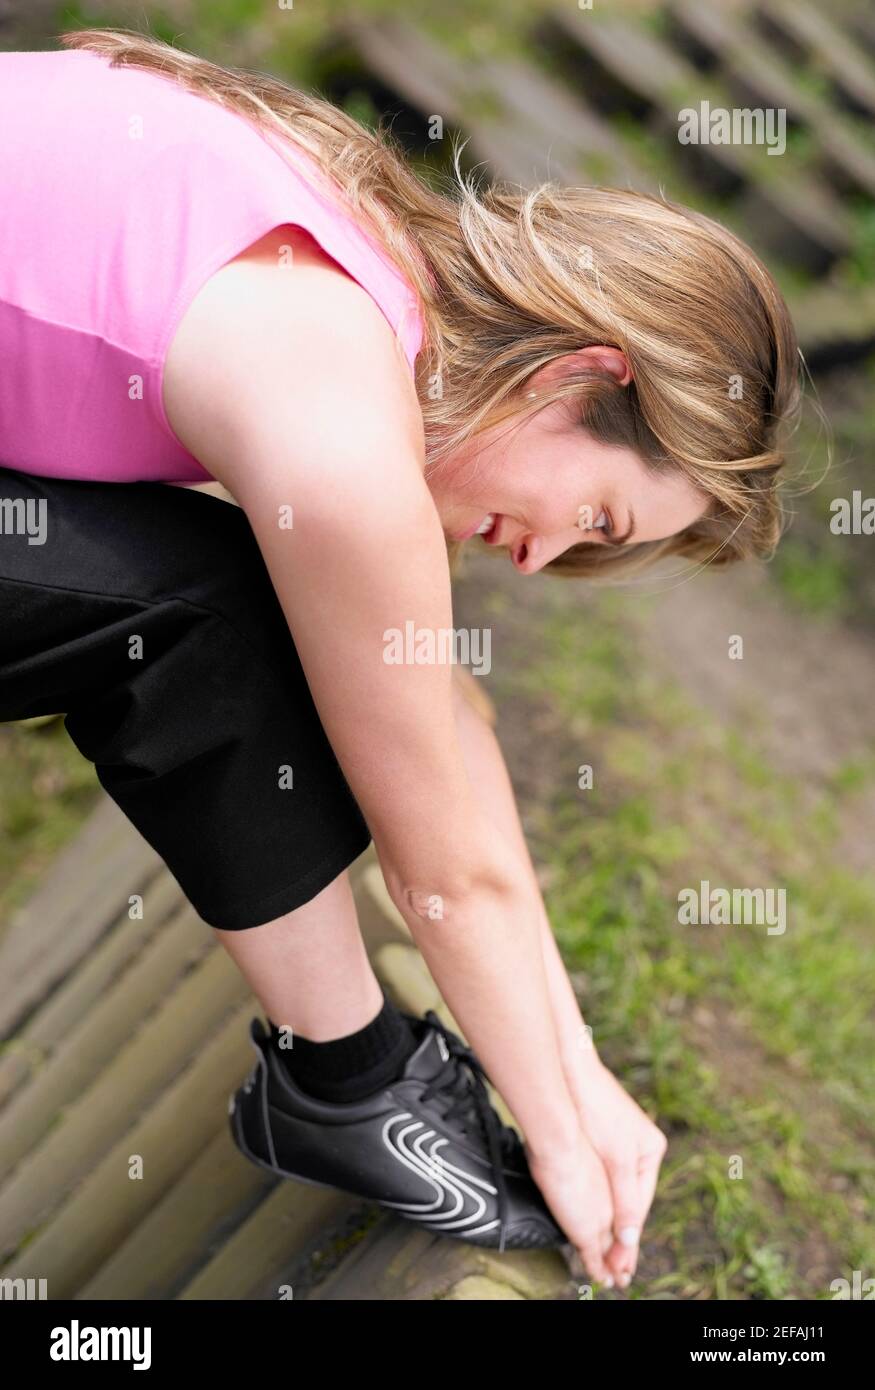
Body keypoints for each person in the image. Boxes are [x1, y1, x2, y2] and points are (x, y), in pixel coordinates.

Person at [0, 28, 801, 1289]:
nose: (542, 565)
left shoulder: (348, 251)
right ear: (582, 374)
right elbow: (446, 873)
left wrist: (576, 1071)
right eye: (595, 516)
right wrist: (553, 1136)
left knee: (212, 593)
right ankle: (350, 1085)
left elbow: (440, 717)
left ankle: (350, 1080)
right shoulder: (329, 387)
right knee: (201, 613)